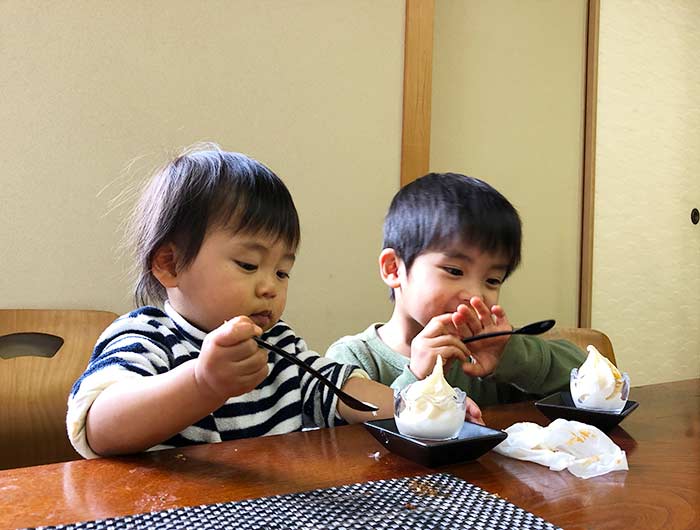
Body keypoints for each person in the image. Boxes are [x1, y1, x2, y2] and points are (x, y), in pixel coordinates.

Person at [66, 147, 484, 458]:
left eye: (283, 272)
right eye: (249, 264)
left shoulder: (279, 343)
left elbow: (338, 389)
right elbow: (98, 428)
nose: (271, 287)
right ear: (170, 264)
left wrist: (416, 403)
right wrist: (202, 382)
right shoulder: (145, 337)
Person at [326, 172, 586, 406]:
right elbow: (344, 445)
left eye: (493, 280)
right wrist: (416, 377)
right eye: (454, 271)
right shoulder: (354, 358)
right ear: (394, 269)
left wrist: (511, 355)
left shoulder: (488, 354)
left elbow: (591, 380)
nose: (475, 294)